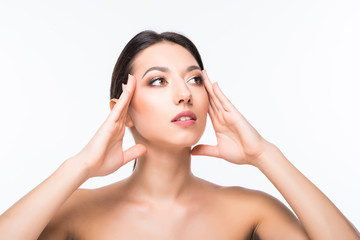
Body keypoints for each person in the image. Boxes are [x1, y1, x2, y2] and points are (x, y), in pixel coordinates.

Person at [0, 30, 359, 240]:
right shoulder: (74, 209)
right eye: (158, 80)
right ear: (121, 110)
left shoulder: (250, 211)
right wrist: (80, 165)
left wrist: (266, 156)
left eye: (194, 79)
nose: (183, 93)